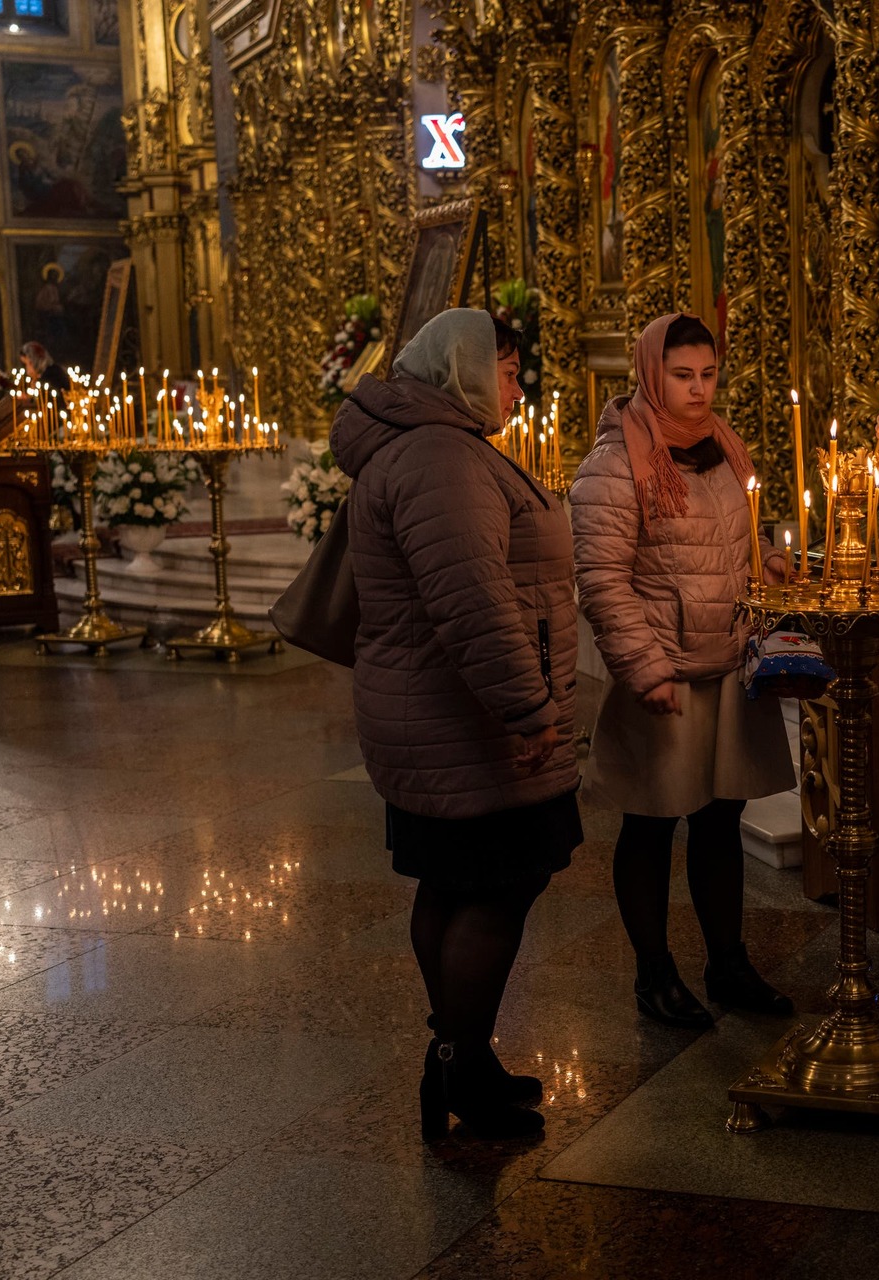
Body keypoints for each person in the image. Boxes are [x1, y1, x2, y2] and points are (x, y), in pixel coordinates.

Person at [331, 308, 580, 1142]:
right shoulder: (441, 457)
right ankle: (461, 1069)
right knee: (494, 886)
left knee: (454, 882)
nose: (518, 385)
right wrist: (528, 707)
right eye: (506, 369)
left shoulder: (428, 445)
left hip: (432, 710)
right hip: (466, 719)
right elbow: (473, 601)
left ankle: (459, 1056)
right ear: (463, 373)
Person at [570, 313, 795, 1029]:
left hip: (726, 663)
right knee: (652, 825)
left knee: (721, 820)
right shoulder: (616, 462)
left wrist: (767, 563)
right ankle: (653, 974)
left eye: (708, 375)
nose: (698, 391)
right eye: (682, 376)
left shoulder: (722, 446)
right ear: (649, 374)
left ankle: (728, 963)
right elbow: (601, 578)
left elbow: (737, 531)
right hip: (664, 668)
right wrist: (643, 668)